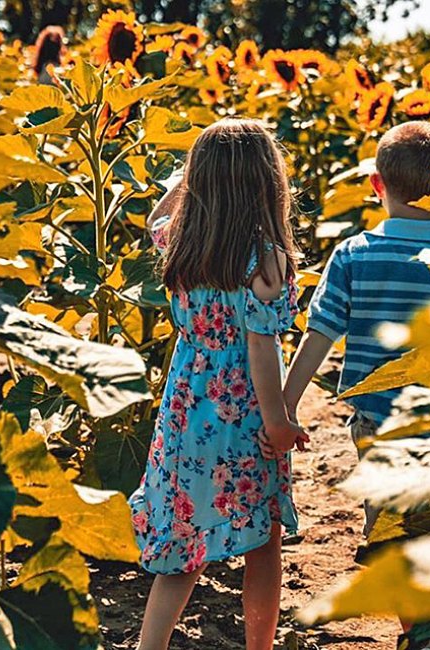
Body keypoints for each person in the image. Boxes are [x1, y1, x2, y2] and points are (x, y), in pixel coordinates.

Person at [282, 121, 430, 650]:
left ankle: (418, 636)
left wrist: (286, 405)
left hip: (379, 425)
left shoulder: (354, 254)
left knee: (392, 536)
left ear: (377, 185)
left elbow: (320, 334)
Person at [129, 119, 309, 650]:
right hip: (245, 416)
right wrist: (277, 423)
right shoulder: (266, 260)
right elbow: (260, 351)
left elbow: (154, 216)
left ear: (197, 181)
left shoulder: (179, 243)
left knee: (184, 539)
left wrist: (187, 178)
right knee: (263, 540)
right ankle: (259, 647)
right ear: (268, 184)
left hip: (188, 406)